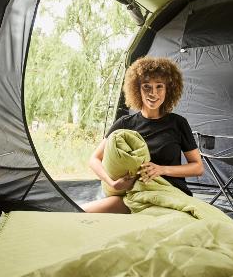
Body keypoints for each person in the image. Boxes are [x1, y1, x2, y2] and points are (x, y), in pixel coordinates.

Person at [84, 56, 204, 213]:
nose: (153, 93)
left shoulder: (178, 123)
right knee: (81, 212)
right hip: (135, 196)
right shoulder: (125, 123)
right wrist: (112, 184)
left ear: (168, 90)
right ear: (137, 90)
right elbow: (94, 159)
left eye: (159, 86)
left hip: (171, 194)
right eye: (147, 87)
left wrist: (162, 170)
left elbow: (198, 167)